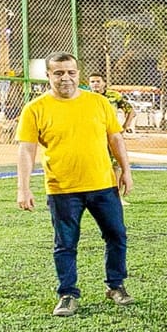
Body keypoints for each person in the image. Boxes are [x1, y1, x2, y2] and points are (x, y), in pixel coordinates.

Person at [17, 52, 134, 316]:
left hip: (103, 185)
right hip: (62, 189)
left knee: (116, 235)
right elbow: (26, 150)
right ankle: (67, 293)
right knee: (65, 244)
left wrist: (126, 171)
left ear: (78, 74)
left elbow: (116, 139)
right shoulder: (35, 109)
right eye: (58, 73)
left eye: (71, 72)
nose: (65, 78)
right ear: (48, 75)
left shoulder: (98, 103)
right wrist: (23, 188)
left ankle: (115, 285)